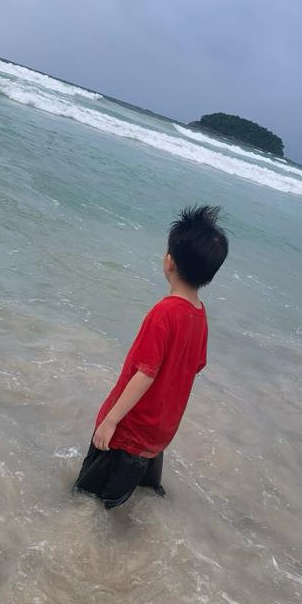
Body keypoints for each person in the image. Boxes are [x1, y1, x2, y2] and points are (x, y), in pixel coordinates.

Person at [72, 204, 229, 509]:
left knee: (89, 502)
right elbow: (195, 365)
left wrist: (110, 421)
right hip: (159, 433)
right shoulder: (199, 314)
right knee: (142, 497)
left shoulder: (164, 313)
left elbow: (145, 373)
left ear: (169, 261)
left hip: (129, 431)